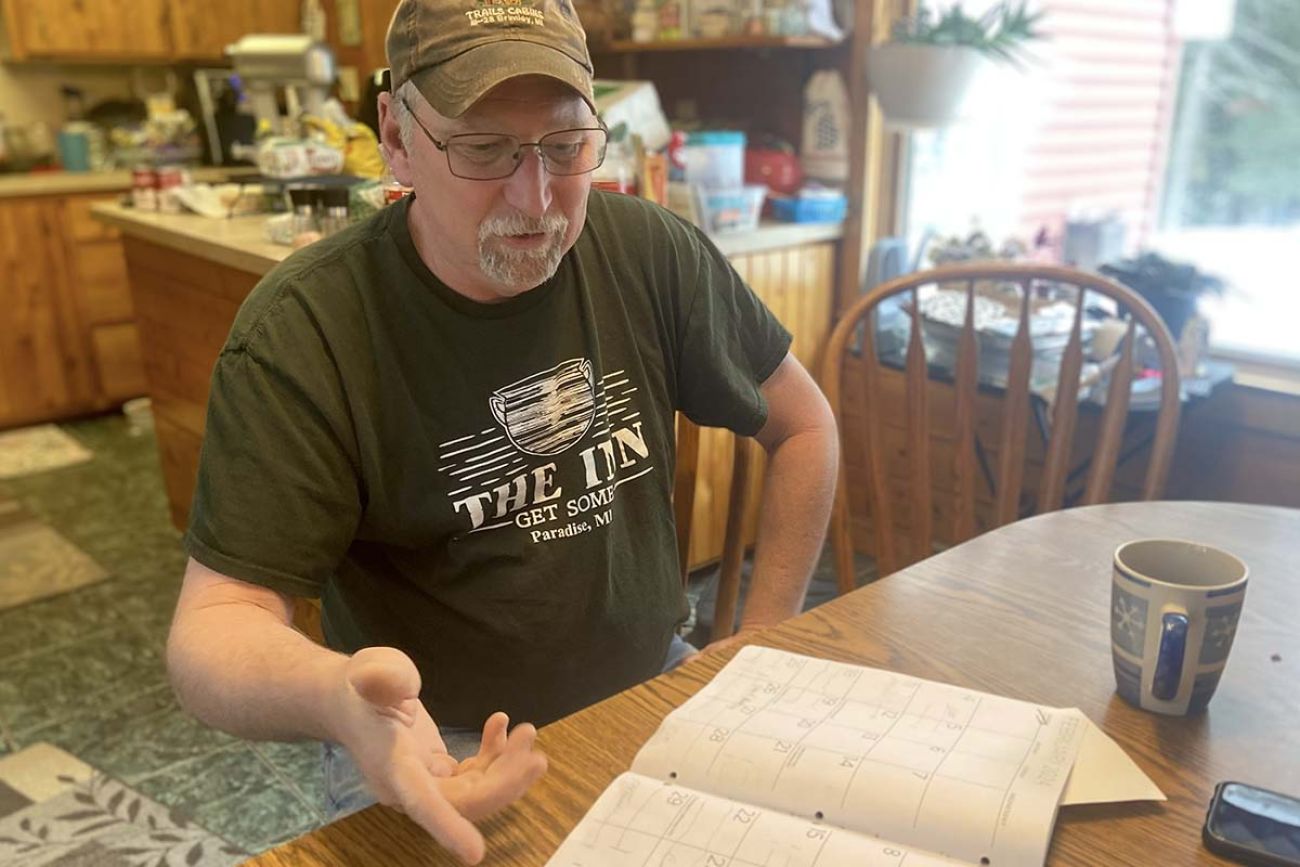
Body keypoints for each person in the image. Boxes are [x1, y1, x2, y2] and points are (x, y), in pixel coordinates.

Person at [164, 0, 839, 863]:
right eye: (482, 148)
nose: (537, 196)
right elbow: (213, 629)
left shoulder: (651, 251)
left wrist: (763, 634)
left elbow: (804, 423)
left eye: (565, 148)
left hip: (650, 685)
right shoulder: (309, 328)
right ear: (396, 137)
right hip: (426, 739)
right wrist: (337, 696)